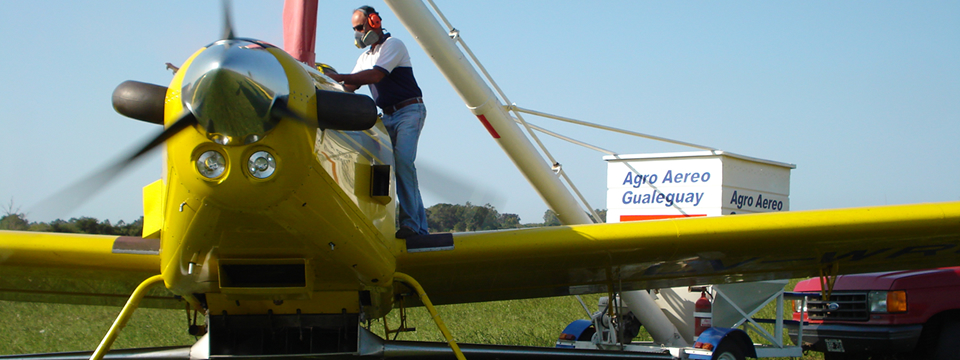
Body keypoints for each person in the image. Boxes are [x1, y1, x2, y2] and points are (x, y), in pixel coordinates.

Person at [325, 6, 428, 239]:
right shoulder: (365, 57)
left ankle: (412, 226)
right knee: (386, 168)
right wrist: (323, 86)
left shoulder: (393, 46)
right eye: (354, 29)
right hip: (387, 116)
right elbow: (348, 88)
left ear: (374, 22)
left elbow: (375, 76)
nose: (357, 33)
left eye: (360, 27)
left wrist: (339, 76)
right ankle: (413, 227)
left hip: (409, 111)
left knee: (403, 162)